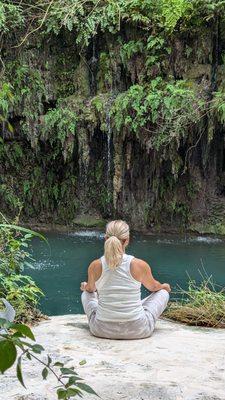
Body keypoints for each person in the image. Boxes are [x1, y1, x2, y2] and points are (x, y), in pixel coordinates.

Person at [80, 220, 171, 339]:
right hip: (138, 330)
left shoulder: (95, 265)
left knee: (86, 293)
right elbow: (154, 287)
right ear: (127, 240)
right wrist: (163, 286)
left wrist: (85, 286)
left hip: (101, 330)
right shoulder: (139, 265)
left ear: (106, 238)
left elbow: (91, 290)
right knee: (163, 293)